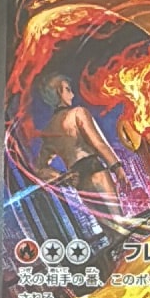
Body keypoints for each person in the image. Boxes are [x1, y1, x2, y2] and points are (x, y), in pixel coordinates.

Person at [35, 73, 125, 230]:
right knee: (119, 223)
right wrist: (117, 167)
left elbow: (39, 168)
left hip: (79, 180)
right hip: (95, 170)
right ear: (59, 93)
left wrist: (61, 176)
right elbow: (98, 143)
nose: (72, 94)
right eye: (68, 89)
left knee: (109, 230)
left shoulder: (48, 131)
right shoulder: (78, 113)